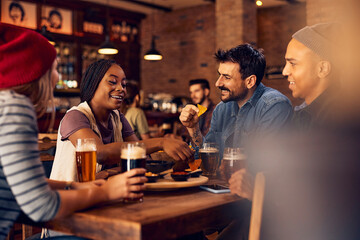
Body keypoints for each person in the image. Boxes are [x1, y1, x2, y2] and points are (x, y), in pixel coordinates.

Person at [0, 23, 147, 240]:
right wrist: (104, 192)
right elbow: (41, 207)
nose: (58, 77)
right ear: (36, 71)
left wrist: (73, 187)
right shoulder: (14, 108)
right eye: (55, 68)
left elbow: (23, 184)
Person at [50, 59, 192, 181]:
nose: (121, 89)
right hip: (68, 200)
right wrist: (161, 142)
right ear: (93, 84)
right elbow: (100, 153)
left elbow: (138, 154)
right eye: (112, 82)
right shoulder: (75, 116)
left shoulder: (117, 117)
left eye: (123, 85)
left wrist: (178, 161)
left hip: (103, 196)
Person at [180, 44, 293, 160]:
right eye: (220, 75)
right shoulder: (221, 109)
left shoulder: (274, 105)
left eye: (227, 77)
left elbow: (266, 162)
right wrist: (193, 128)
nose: (217, 83)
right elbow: (207, 157)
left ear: (250, 81)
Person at [282, 22, 338, 129]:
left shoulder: (337, 122)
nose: (285, 72)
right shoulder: (305, 115)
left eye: (293, 64)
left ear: (322, 69)